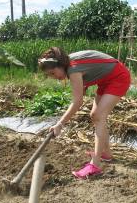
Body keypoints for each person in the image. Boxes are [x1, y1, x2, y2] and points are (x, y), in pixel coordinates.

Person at [38, 47, 131, 179]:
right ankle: (107, 154)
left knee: (99, 116)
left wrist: (60, 124)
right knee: (94, 115)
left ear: (60, 65)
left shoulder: (73, 69)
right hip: (105, 80)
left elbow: (77, 102)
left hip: (118, 77)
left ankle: (95, 164)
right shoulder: (69, 63)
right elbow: (91, 66)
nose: (55, 78)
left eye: (53, 73)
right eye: (50, 75)